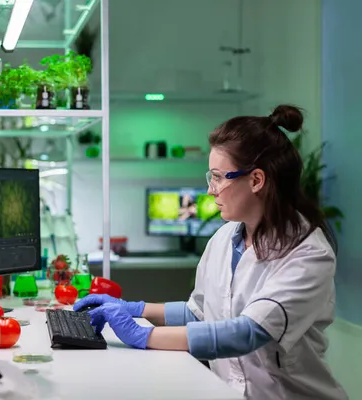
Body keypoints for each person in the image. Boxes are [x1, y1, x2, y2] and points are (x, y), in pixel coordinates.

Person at [74, 105, 347, 399]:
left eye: (218, 177)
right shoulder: (225, 238)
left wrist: (144, 335)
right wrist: (134, 309)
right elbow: (199, 313)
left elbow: (248, 333)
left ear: (256, 180)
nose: (210, 190)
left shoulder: (307, 253)